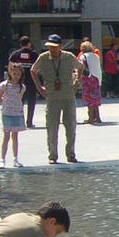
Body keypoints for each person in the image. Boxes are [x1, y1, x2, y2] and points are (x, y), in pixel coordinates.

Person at [31, 34, 82, 163]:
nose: (51, 50)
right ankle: (52, 156)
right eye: (49, 47)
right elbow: (33, 71)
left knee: (70, 127)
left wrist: (77, 80)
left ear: (60, 46)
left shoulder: (68, 57)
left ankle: (71, 154)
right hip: (52, 97)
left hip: (68, 96)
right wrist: (39, 87)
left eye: (54, 47)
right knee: (52, 128)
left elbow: (80, 67)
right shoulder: (43, 58)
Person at [0, 61, 26, 166]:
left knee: (15, 136)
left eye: (18, 74)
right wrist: (5, 101)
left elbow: (20, 99)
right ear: (10, 73)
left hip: (17, 113)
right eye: (14, 74)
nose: (16, 76)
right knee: (6, 136)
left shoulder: (22, 87)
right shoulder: (4, 85)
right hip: (7, 113)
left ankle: (15, 159)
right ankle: (2, 159)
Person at [9, 37, 39, 125]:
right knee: (31, 102)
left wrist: (12, 79)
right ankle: (29, 121)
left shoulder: (15, 54)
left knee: (19, 101)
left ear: (20, 44)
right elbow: (38, 68)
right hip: (31, 81)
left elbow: (10, 67)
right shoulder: (34, 55)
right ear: (29, 44)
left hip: (19, 81)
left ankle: (20, 121)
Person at [78, 39, 103, 125]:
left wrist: (77, 78)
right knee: (95, 99)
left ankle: (91, 118)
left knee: (89, 99)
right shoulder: (96, 56)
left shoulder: (83, 56)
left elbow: (81, 68)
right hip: (97, 78)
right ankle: (98, 117)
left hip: (88, 79)